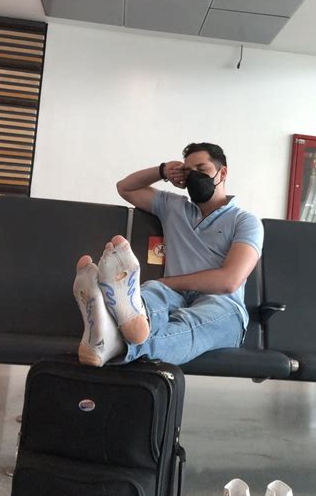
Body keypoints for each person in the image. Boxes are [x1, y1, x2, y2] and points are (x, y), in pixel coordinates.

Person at [73, 142, 263, 367]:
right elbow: (125, 188)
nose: (194, 177)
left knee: (190, 322)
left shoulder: (245, 221)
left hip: (223, 305)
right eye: (188, 172)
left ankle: (111, 337)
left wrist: (168, 282)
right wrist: (163, 171)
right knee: (152, 293)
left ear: (222, 173)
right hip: (174, 296)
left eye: (201, 170)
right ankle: (118, 317)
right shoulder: (174, 207)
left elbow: (229, 281)